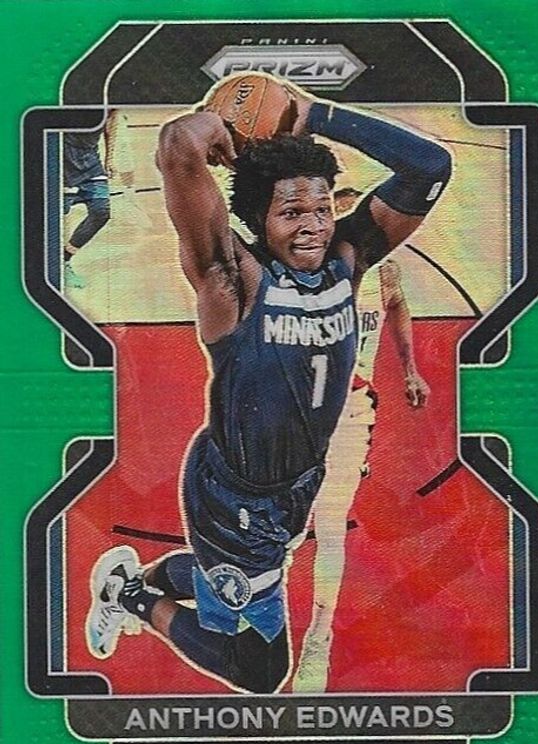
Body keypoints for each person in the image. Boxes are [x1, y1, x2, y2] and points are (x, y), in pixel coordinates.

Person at [86, 81, 451, 693]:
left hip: (295, 483)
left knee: (241, 579)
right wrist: (215, 125)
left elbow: (430, 167)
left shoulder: (348, 258)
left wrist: (312, 114)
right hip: (238, 499)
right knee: (260, 670)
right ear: (258, 219)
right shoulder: (233, 279)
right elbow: (178, 144)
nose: (313, 226)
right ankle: (129, 598)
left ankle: (147, 578)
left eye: (322, 209)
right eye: (291, 213)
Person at [293, 187, 430, 693]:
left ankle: (319, 637)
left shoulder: (385, 273)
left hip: (351, 409)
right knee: (282, 530)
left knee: (331, 525)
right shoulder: (309, 273)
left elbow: (397, 305)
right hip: (296, 412)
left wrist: (410, 367)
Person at [63, 110, 118, 288]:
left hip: (91, 161)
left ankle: (64, 260)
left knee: (101, 211)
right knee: (54, 216)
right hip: (64, 158)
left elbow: (111, 120)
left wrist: (109, 159)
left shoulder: (110, 101)